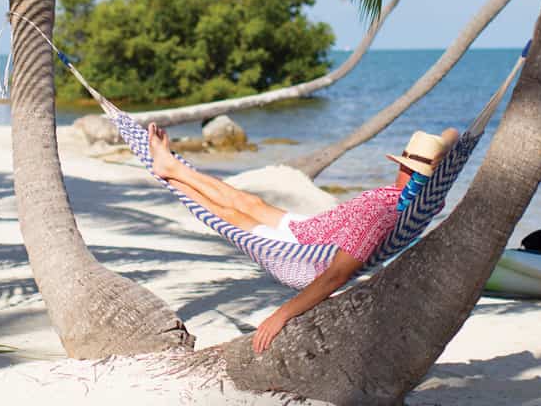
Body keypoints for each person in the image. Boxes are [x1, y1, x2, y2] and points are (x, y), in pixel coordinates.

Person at [147, 123, 460, 353]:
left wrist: (281, 315)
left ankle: (170, 173)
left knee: (229, 214)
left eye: (406, 164)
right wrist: (439, 152)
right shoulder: (424, 200)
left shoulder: (380, 215)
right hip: (308, 230)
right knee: (247, 202)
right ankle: (172, 166)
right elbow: (453, 133)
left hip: (300, 253)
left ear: (404, 166)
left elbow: (337, 275)